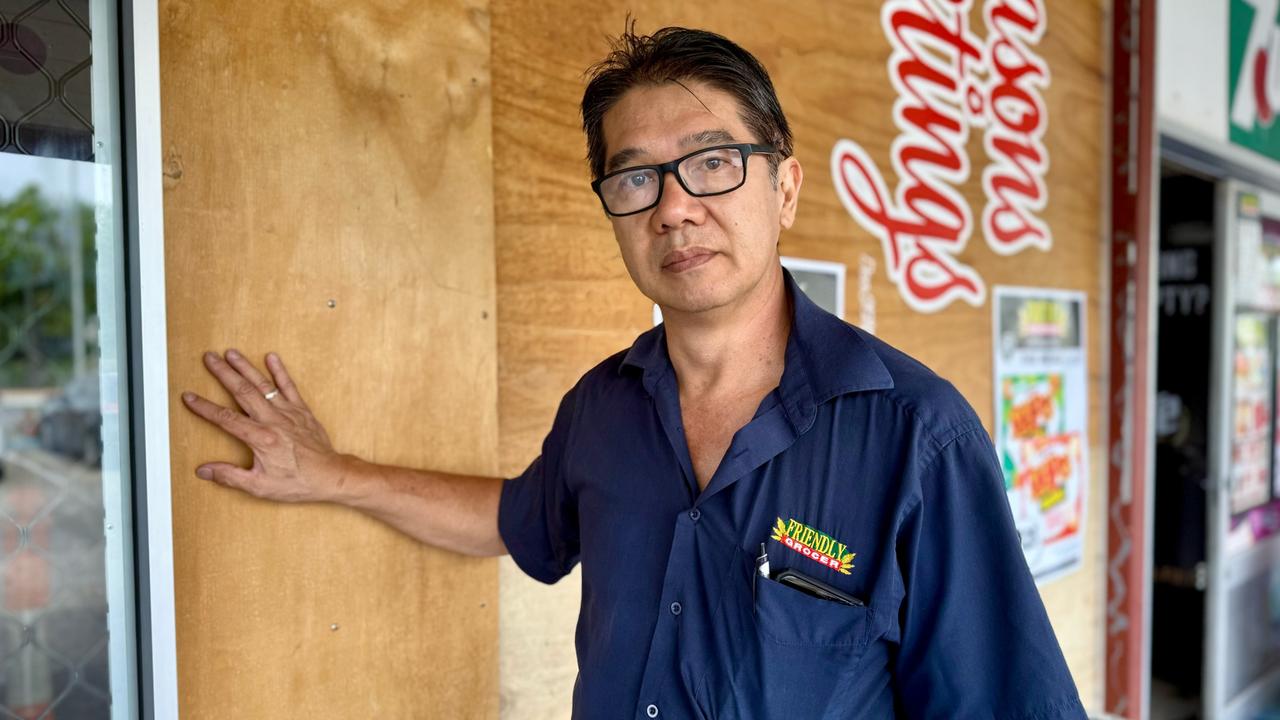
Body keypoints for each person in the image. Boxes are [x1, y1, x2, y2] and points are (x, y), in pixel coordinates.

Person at [182, 25, 1087, 720]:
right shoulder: (602, 409)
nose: (675, 208)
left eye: (712, 163)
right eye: (635, 179)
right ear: (612, 211)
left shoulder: (915, 436)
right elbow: (512, 520)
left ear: (785, 188)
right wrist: (329, 474)